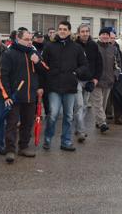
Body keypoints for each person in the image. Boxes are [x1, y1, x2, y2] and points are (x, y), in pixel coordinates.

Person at [42, 21, 89, 152]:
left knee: (68, 116)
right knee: (53, 114)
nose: (62, 31)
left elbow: (84, 65)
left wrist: (76, 73)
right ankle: (47, 138)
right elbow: (43, 65)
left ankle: (66, 141)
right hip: (54, 87)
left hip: (70, 87)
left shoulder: (76, 48)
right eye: (60, 29)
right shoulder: (49, 46)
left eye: (64, 29)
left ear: (69, 31)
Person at [0, 30, 46, 163]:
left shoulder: (33, 52)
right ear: (18, 39)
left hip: (30, 95)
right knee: (12, 124)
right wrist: (7, 96)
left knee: (28, 123)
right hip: (14, 96)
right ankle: (10, 150)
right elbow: (3, 76)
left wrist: (37, 62)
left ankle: (23, 147)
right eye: (26, 39)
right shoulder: (9, 53)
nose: (30, 41)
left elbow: (44, 70)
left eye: (30, 39)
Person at [74, 24, 102, 142]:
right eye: (82, 31)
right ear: (78, 33)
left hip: (89, 80)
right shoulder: (74, 46)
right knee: (79, 105)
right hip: (77, 80)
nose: (85, 33)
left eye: (87, 31)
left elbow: (99, 63)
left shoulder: (94, 46)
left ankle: (78, 127)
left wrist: (95, 79)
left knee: (85, 105)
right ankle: (81, 131)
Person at [89, 28, 119, 133]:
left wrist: (115, 75)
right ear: (99, 36)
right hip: (96, 80)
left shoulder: (113, 48)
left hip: (109, 80)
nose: (105, 36)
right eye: (103, 34)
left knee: (103, 104)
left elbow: (117, 64)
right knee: (98, 102)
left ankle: (98, 121)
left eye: (107, 34)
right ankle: (102, 123)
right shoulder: (94, 47)